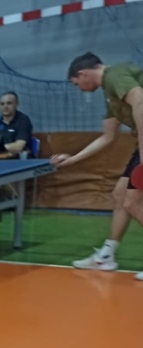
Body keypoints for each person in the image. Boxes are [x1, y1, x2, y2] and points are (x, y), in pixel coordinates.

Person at [52, 53, 143, 280]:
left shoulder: (114, 75)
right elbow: (107, 136)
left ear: (83, 74)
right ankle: (106, 256)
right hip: (139, 144)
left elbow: (140, 100)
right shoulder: (109, 94)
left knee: (132, 202)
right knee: (120, 195)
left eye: (76, 84)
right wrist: (73, 159)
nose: (79, 88)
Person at [0, 91, 34, 157]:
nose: (5, 106)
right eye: (2, 104)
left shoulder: (23, 120)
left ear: (16, 104)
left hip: (19, 159)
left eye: (9, 103)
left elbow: (18, 146)